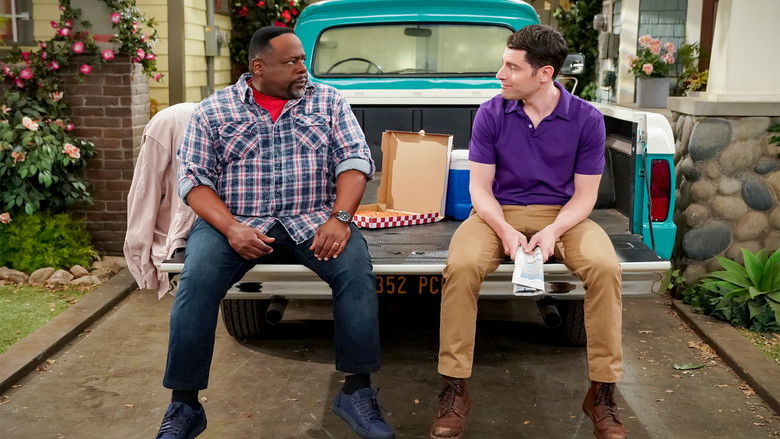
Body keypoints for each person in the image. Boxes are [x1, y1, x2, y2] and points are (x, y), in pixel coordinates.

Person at [155, 26, 394, 439]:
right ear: (259, 67)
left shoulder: (328, 102)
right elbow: (193, 180)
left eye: (303, 59)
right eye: (292, 61)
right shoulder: (214, 110)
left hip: (313, 219)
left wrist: (340, 218)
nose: (303, 68)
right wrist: (231, 227)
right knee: (196, 283)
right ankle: (185, 404)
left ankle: (356, 391)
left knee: (356, 272)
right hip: (235, 221)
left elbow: (355, 161)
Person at [429, 25, 626, 439]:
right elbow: (479, 189)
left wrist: (553, 231)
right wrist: (502, 229)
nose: (500, 74)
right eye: (503, 64)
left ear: (544, 73)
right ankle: (454, 388)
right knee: (461, 266)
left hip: (563, 215)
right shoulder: (492, 113)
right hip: (496, 213)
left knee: (606, 268)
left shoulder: (586, 118)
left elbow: (585, 195)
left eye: (512, 67)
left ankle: (602, 393)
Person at [124, 102, 197, 299]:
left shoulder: (170, 120)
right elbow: (145, 193)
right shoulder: (169, 121)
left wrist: (142, 260)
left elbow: (144, 194)